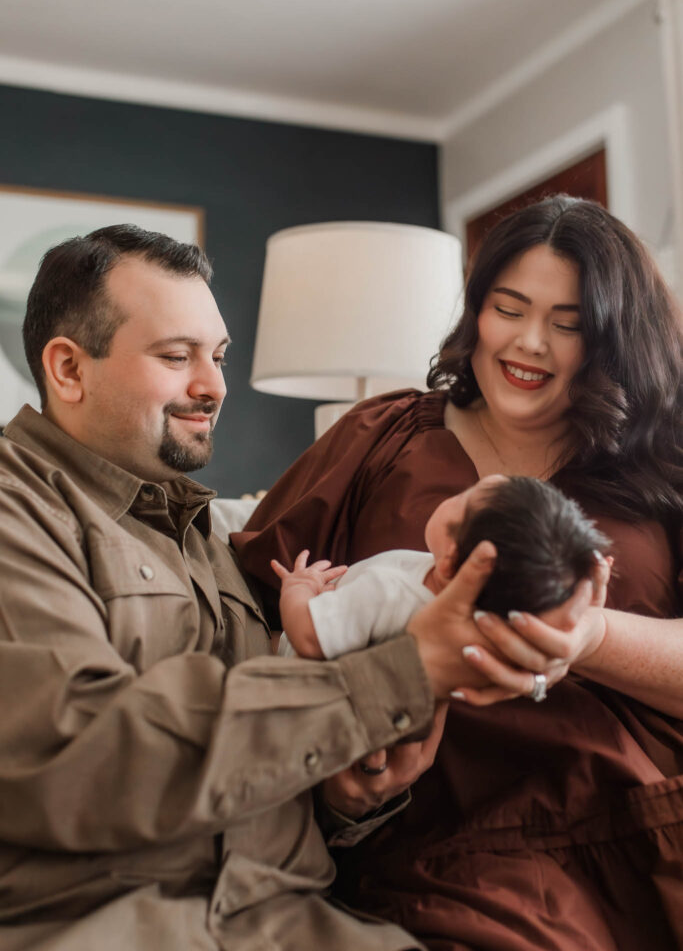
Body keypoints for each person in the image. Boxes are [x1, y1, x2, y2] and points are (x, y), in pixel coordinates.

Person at [0, 224, 593, 951]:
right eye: (175, 355)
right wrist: (405, 670)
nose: (213, 385)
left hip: (288, 918)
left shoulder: (219, 538)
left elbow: (263, 755)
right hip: (105, 925)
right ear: (67, 369)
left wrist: (347, 801)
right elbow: (81, 758)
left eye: (216, 356)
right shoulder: (18, 514)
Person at [233, 195, 683, 950]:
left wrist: (586, 635)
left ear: (611, 341)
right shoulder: (377, 438)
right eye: (507, 308)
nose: (529, 342)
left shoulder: (662, 468)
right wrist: (336, 786)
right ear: (474, 311)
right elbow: (246, 619)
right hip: (411, 824)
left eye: (568, 323)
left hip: (627, 821)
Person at [275, 475, 610, 661]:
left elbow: (307, 637)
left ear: (451, 561)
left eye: (463, 498)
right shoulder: (475, 623)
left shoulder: (388, 592)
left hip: (298, 700)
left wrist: (299, 588)